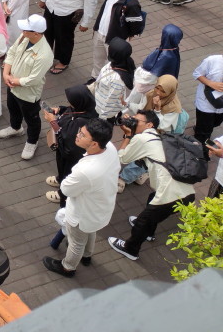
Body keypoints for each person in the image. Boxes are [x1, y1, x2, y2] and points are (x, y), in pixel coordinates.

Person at [108, 110, 195, 261]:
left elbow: (121, 158)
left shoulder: (143, 138)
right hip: (186, 191)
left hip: (171, 194)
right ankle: (149, 232)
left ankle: (131, 249)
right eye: (133, 119)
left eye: (137, 121)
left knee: (143, 220)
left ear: (149, 124)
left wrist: (128, 136)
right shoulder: (159, 136)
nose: (133, 122)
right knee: (152, 198)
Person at [42, 119, 119, 277]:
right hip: (101, 209)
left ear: (94, 144)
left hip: (81, 214)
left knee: (76, 242)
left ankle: (68, 267)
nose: (77, 135)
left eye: (82, 135)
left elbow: (65, 189)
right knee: (90, 231)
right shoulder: (110, 148)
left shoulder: (86, 170)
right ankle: (87, 256)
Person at [0, 14, 54, 160]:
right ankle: (16, 128)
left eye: (26, 29)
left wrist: (12, 81)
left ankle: (32, 142)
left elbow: (33, 79)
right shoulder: (24, 37)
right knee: (12, 108)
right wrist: (5, 73)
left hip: (28, 94)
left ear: (36, 33)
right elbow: (12, 52)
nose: (22, 31)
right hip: (12, 85)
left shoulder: (45, 54)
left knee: (32, 119)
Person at [42, 85, 99, 206]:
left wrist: (53, 121)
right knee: (63, 170)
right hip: (66, 153)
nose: (69, 103)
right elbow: (70, 111)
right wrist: (60, 110)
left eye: (71, 101)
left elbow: (66, 138)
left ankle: (62, 194)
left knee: (68, 174)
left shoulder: (81, 123)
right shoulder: (86, 107)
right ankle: (60, 178)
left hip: (71, 156)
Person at [90, 0, 142, 82]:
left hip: (114, 40)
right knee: (97, 59)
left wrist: (127, 36)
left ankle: (107, 83)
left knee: (112, 65)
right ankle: (94, 79)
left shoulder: (132, 3)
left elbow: (136, 25)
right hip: (99, 33)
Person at [92, 38, 135, 122]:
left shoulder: (117, 80)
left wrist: (102, 119)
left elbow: (110, 101)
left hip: (105, 114)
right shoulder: (114, 64)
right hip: (99, 103)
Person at [193, 54, 223, 160]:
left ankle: (201, 132)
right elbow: (197, 73)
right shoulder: (212, 60)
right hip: (205, 104)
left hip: (221, 105)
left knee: (215, 123)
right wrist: (211, 83)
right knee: (204, 133)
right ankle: (202, 154)